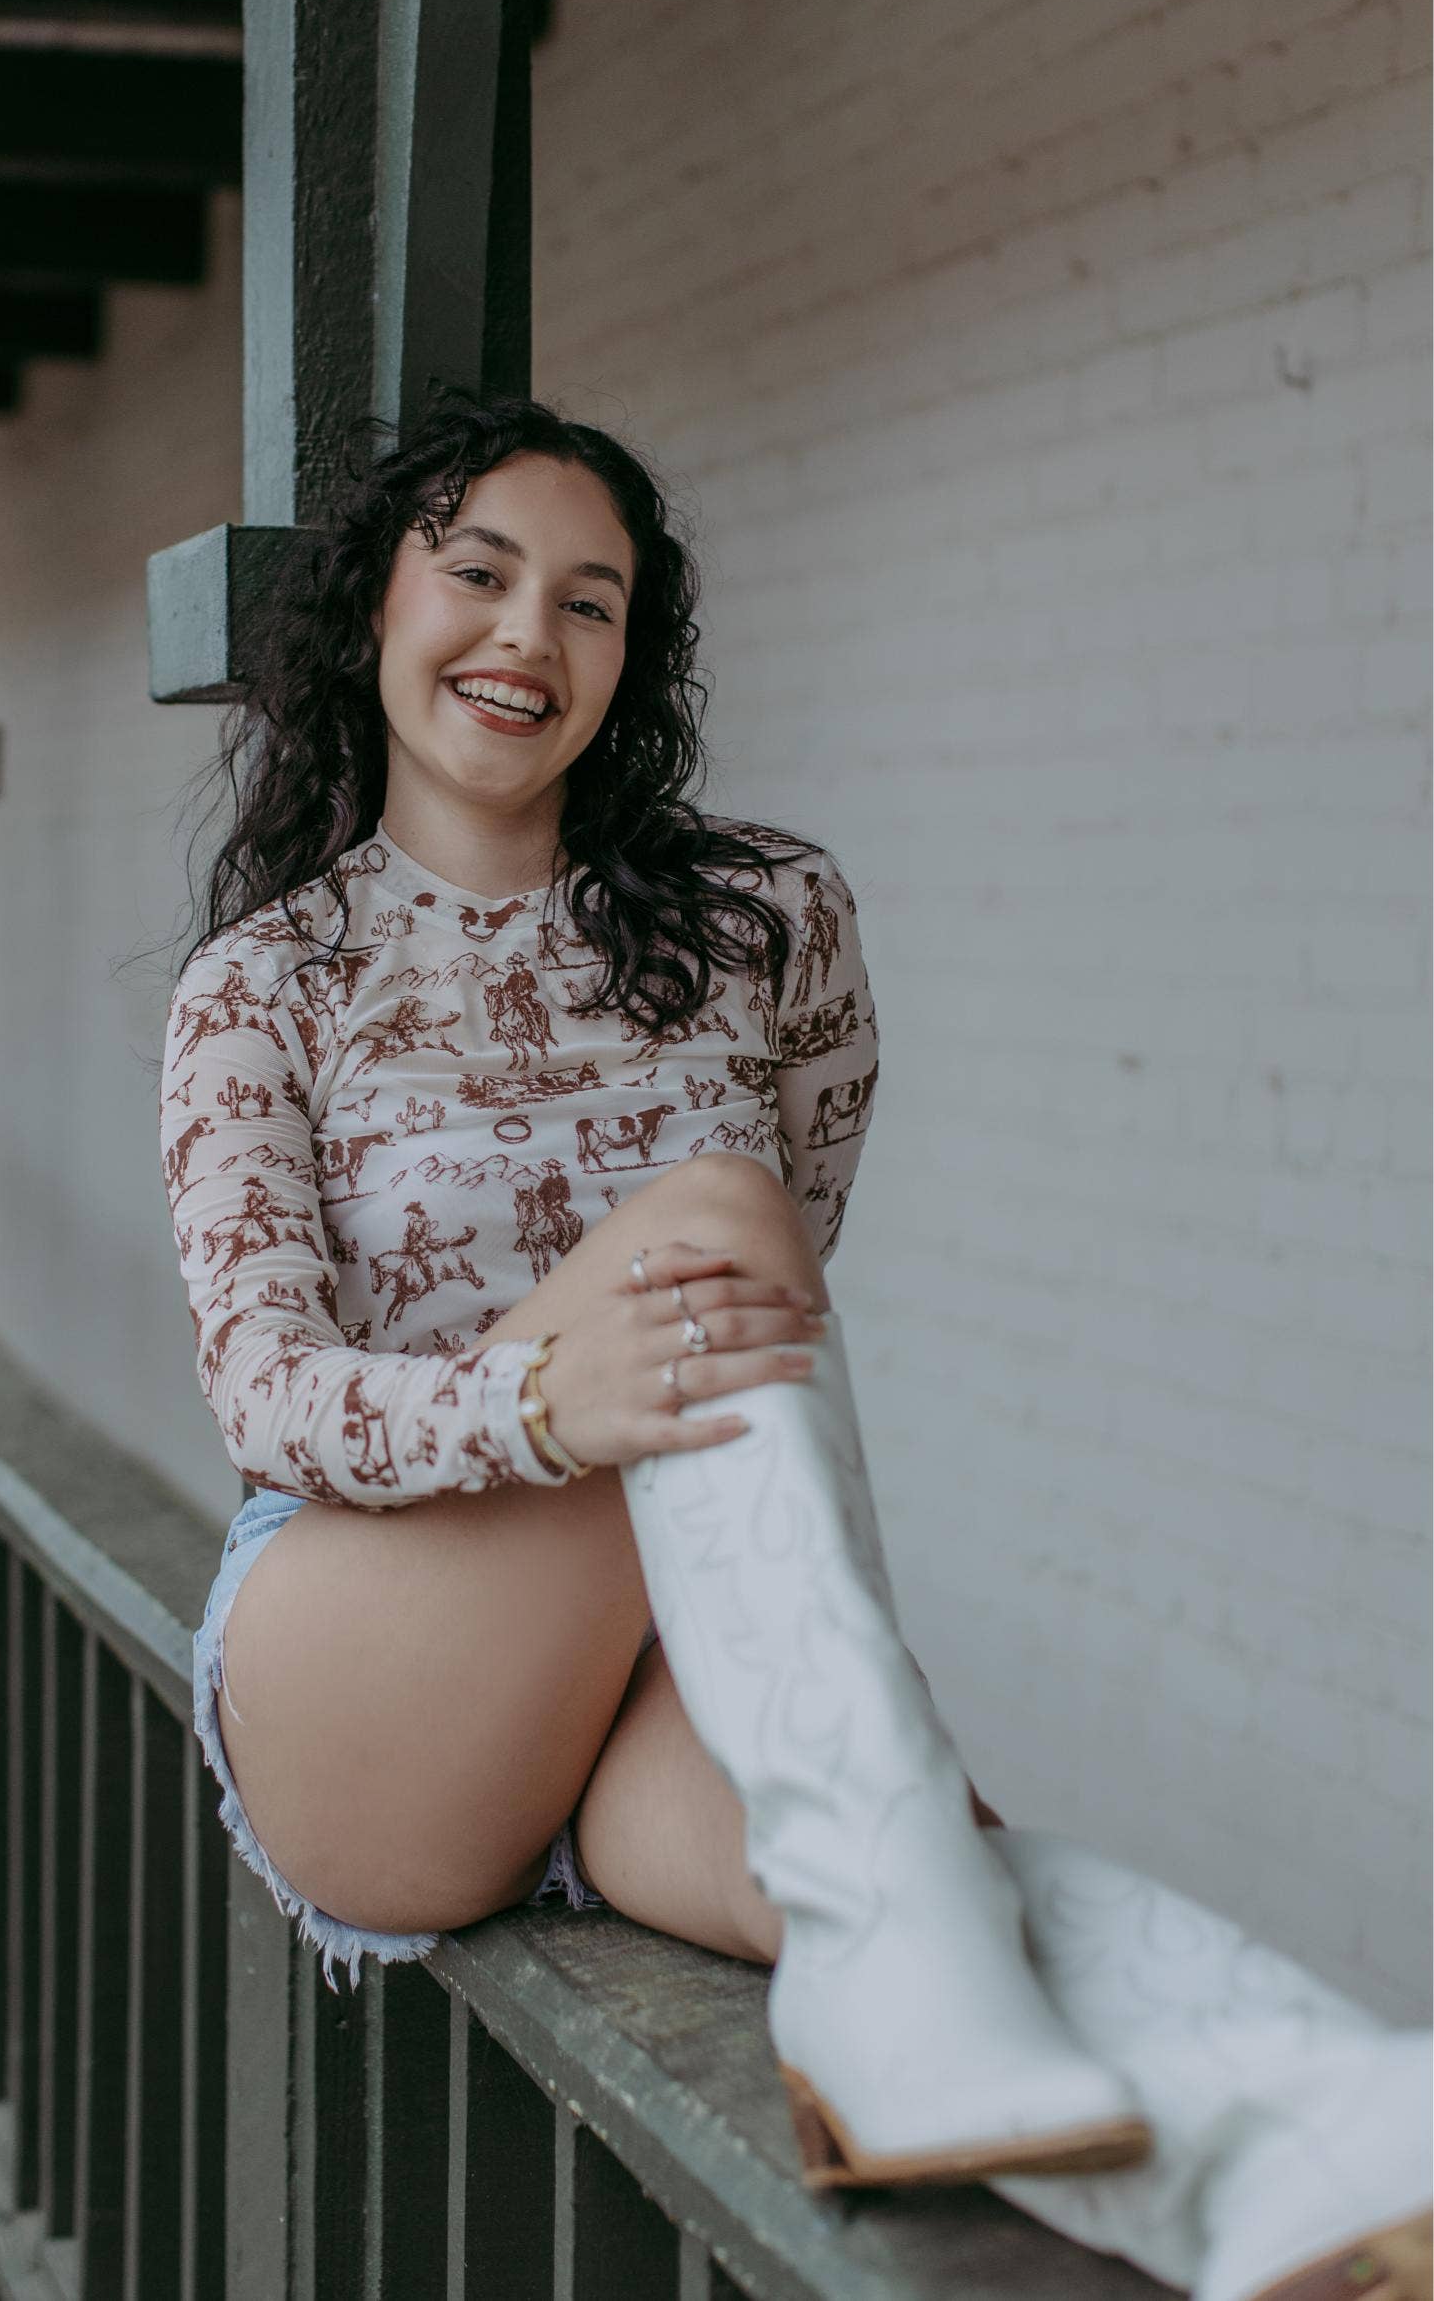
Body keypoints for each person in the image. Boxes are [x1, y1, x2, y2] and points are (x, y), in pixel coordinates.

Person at [161, 393, 1431, 2301]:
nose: (525, 636)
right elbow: (265, 1392)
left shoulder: (768, 919)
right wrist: (543, 1400)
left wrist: (635, 1417)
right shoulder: (268, 983)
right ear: (374, 612)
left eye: (588, 602)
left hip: (660, 1651)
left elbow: (784, 1311)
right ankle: (935, 2019)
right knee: (711, 1222)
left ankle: (1333, 2148)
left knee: (920, 1873)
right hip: (378, 1662)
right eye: (478, 574)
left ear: (629, 657)